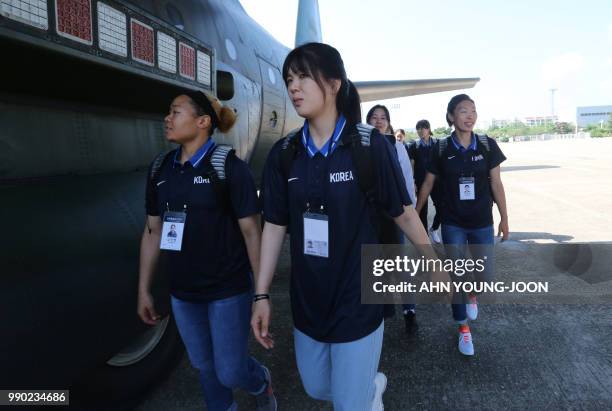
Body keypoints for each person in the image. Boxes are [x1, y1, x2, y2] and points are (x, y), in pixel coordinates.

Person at [251, 42, 439, 411]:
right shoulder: (285, 154)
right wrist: (261, 295)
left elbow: (403, 212)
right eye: (289, 78)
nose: (293, 87)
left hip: (358, 296)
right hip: (309, 298)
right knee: (318, 386)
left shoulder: (368, 147)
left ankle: (363, 395)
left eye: (304, 76)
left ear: (334, 84)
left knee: (348, 405)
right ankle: (370, 388)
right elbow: (273, 226)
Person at [137, 91, 277, 411]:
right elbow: (152, 231)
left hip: (227, 289)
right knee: (204, 367)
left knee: (230, 371)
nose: (167, 118)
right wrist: (143, 289)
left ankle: (261, 382)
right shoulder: (160, 169)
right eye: (168, 112)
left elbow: (251, 231)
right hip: (183, 293)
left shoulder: (227, 167)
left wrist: (261, 294)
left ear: (202, 122)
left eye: (175, 112)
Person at [415, 94, 509, 356]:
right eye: (463, 111)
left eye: (473, 111)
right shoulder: (442, 148)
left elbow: (496, 184)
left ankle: (473, 294)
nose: (470, 116)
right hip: (453, 222)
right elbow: (427, 184)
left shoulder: (487, 145)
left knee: (484, 277)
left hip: (481, 222)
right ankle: (463, 329)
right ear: (451, 117)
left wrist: (505, 217)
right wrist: (416, 214)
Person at [366, 105, 418, 333]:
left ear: (388, 122)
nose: (378, 121)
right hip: (369, 217)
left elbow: (407, 179)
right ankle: (381, 313)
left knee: (399, 265)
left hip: (393, 215)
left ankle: (410, 311)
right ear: (367, 121)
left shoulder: (397, 146)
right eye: (374, 118)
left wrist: (409, 212)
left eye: (383, 118)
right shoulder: (361, 146)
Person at [407, 120, 442, 243]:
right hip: (421, 182)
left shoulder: (438, 143)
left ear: (429, 129)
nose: (421, 131)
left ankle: (434, 229)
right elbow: (411, 165)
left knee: (442, 207)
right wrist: (413, 182)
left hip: (437, 182)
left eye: (423, 128)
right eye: (418, 128)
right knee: (422, 210)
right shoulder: (414, 146)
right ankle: (425, 237)